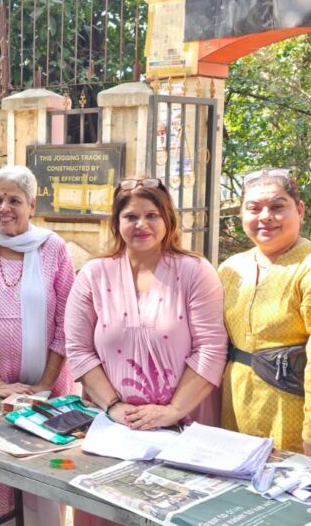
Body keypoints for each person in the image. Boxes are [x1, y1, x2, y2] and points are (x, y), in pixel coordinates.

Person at [64, 176, 227, 524]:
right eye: (131, 216)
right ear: (116, 222)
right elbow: (78, 349)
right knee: (106, 512)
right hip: (113, 429)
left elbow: (211, 348)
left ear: (167, 219)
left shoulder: (195, 272)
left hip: (183, 425)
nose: (142, 225)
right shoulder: (94, 274)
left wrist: (172, 411)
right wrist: (114, 406)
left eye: (152, 215)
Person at [0, 165, 75, 525]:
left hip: (48, 391)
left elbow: (67, 322)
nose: (4, 208)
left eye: (15, 200)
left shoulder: (54, 249)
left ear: (32, 206)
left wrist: (44, 386)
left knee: (42, 473)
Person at [217, 169, 311, 462]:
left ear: (300, 210)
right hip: (237, 404)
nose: (265, 216)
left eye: (277, 206)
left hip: (293, 410)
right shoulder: (231, 269)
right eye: (254, 208)